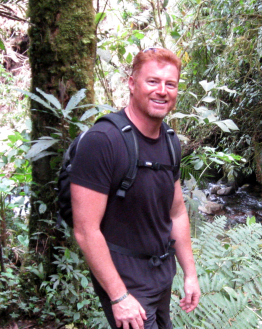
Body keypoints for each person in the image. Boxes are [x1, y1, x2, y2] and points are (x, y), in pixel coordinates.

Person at [69, 47, 200, 329]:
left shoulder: (170, 141)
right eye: (152, 81)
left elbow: (176, 213)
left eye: (170, 84)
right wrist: (119, 296)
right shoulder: (103, 141)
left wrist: (190, 274)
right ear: (132, 83)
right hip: (126, 282)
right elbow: (85, 229)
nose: (162, 91)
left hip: (161, 274)